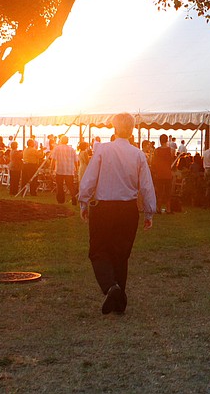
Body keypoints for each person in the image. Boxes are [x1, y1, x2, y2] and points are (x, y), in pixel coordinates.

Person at [78, 113, 157, 315]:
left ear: (114, 128)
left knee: (98, 251)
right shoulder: (138, 155)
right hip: (128, 209)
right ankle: (119, 303)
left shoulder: (103, 150)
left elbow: (90, 177)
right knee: (121, 254)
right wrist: (149, 212)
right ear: (132, 130)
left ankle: (111, 288)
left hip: (104, 207)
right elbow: (146, 186)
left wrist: (83, 201)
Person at [49, 135, 78, 205]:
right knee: (70, 185)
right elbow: (75, 160)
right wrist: (76, 169)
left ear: (61, 141)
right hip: (69, 170)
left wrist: (51, 168)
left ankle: (60, 200)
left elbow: (53, 159)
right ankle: (74, 197)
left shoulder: (57, 148)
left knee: (59, 185)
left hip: (60, 169)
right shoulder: (72, 149)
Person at [151, 134, 174, 213]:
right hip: (168, 174)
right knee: (168, 193)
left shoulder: (156, 151)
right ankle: (168, 209)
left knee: (159, 192)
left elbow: (153, 162)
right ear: (167, 140)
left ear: (160, 141)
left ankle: (159, 208)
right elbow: (172, 160)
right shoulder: (171, 150)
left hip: (159, 174)